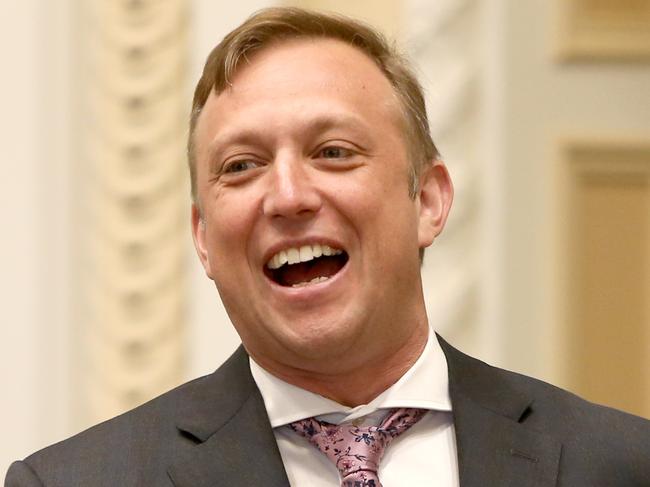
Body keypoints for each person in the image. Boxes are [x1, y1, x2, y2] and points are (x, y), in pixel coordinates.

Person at [5, 7, 649, 487]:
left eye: (333, 152)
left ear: (427, 200)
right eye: (240, 166)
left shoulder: (618, 464)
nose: (287, 196)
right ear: (203, 238)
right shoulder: (75, 481)